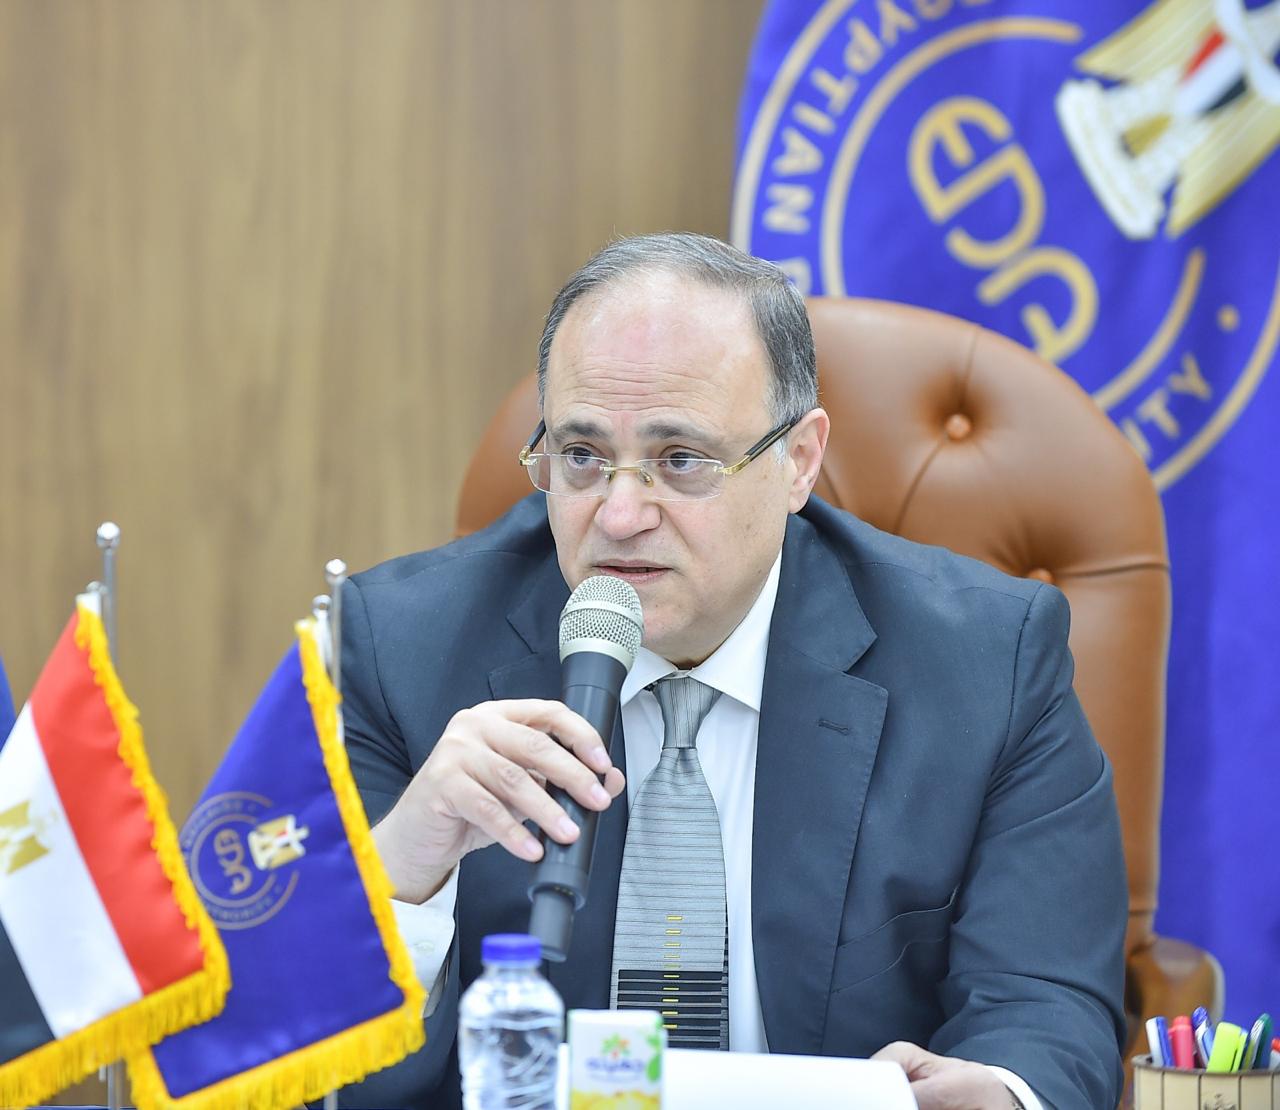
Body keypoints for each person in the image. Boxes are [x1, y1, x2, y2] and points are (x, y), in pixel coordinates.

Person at [337, 233, 1127, 1109]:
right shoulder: (398, 650)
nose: (620, 515)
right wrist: (401, 878)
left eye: (681, 460)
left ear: (799, 462)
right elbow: (316, 1074)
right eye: (582, 455)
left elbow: (1044, 1007)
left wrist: (1002, 1094)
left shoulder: (988, 661)